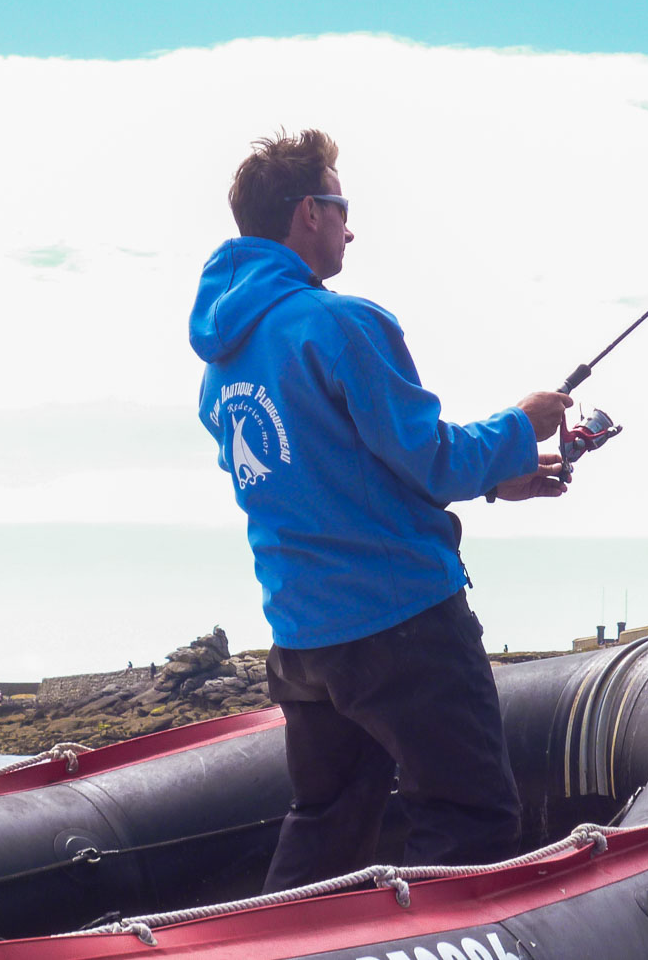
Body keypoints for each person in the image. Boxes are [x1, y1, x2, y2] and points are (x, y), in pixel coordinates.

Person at [188, 129, 571, 891]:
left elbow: (334, 479)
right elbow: (430, 457)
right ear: (308, 213)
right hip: (404, 628)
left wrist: (502, 479)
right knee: (473, 818)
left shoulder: (222, 365)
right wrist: (521, 425)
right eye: (341, 207)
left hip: (304, 642)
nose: (350, 227)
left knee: (327, 824)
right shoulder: (340, 324)